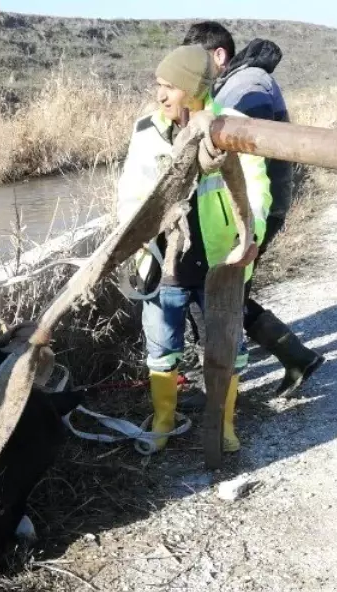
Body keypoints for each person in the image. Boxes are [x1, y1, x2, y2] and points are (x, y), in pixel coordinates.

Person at [116, 45, 272, 453]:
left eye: (170, 87)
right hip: (162, 261)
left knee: (226, 346)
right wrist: (135, 242)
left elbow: (257, 187)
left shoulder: (233, 126)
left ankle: (222, 423)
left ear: (194, 88)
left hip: (219, 259)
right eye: (159, 86)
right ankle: (164, 420)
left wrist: (250, 235)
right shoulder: (146, 129)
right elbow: (131, 194)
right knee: (161, 346)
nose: (161, 95)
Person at [182, 21, 324, 396]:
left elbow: (247, 157)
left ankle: (223, 386)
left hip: (254, 209)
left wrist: (250, 228)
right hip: (239, 210)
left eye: (195, 63)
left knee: (221, 295)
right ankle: (295, 356)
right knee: (226, 294)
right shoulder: (235, 83)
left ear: (218, 56)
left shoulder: (247, 87)